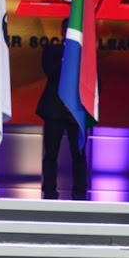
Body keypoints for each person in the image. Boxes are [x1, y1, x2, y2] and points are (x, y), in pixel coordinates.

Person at [36, 19, 87, 200]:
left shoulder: (86, 56)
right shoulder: (53, 50)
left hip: (77, 112)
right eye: (68, 30)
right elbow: (51, 73)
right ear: (62, 32)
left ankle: (80, 195)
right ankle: (49, 192)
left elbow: (96, 83)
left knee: (79, 155)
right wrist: (68, 56)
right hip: (54, 111)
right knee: (50, 154)